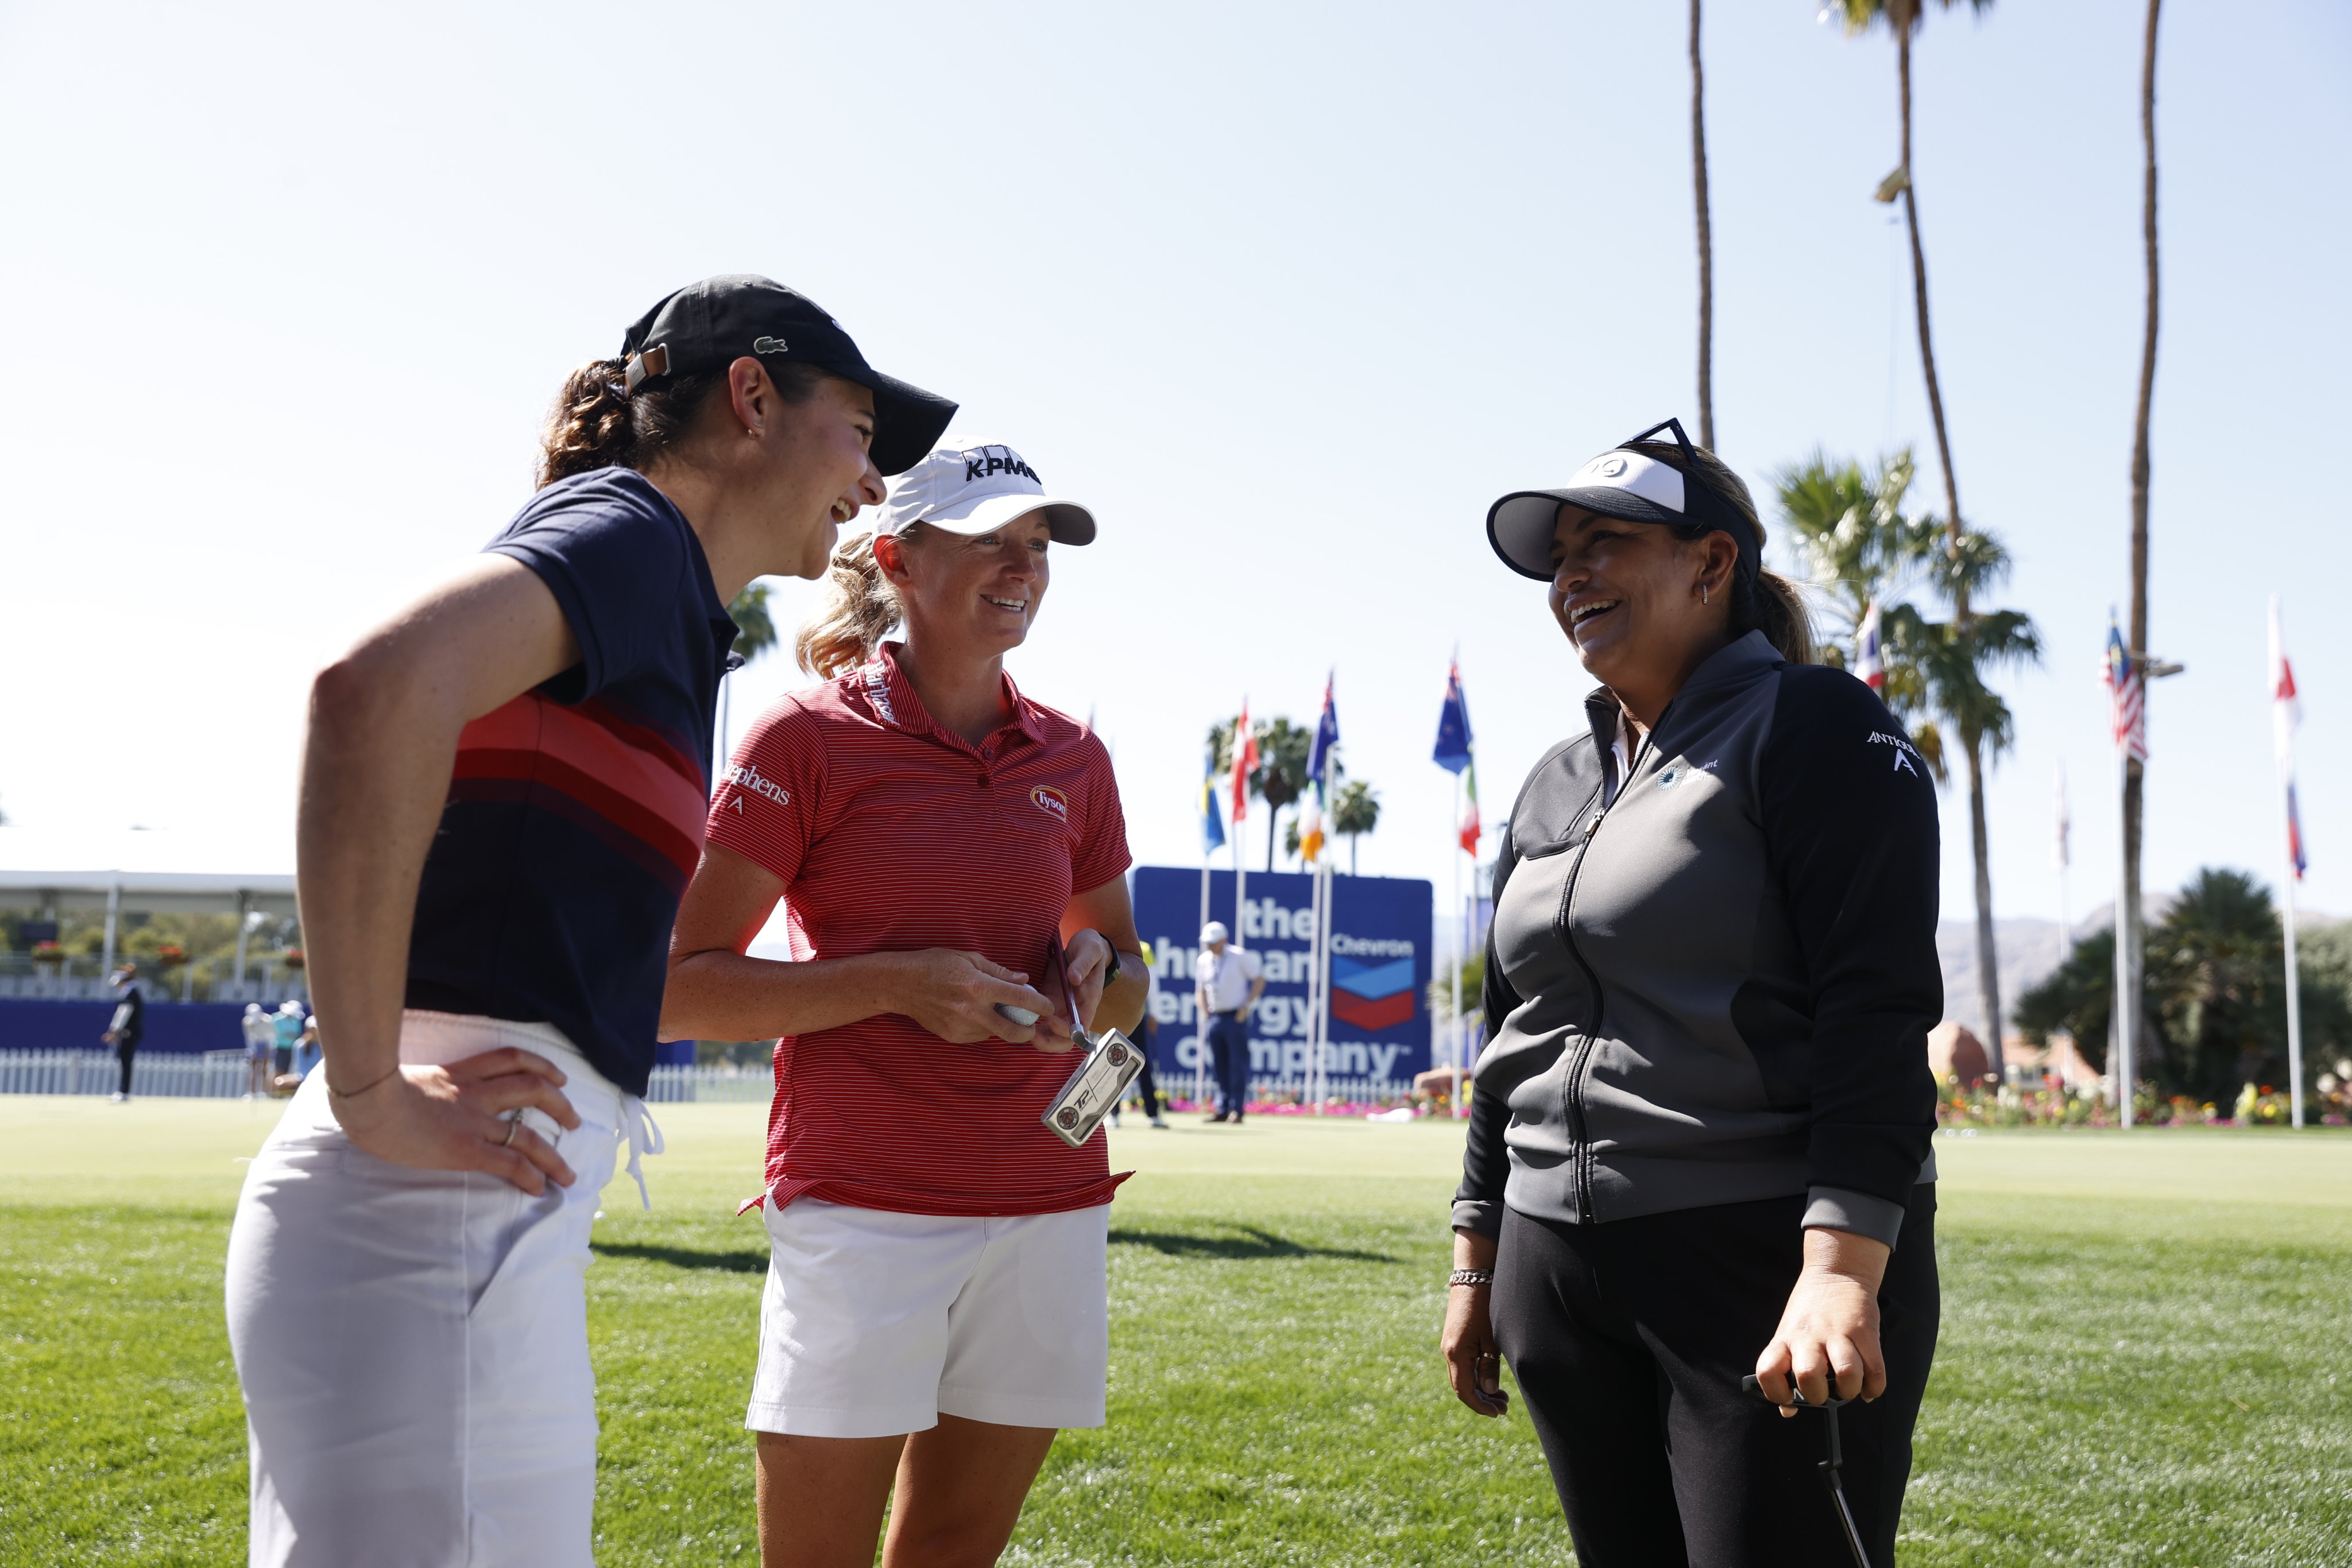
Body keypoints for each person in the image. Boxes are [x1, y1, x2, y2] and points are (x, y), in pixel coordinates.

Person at [223, 274, 953, 1567]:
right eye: (855, 430)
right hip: (430, 1201)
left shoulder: (661, 594)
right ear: (749, 397)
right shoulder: (630, 535)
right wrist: (370, 1089)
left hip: (456, 1211)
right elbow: (369, 690)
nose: (871, 483)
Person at [1440, 419, 1942, 1567]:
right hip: (1555, 1274)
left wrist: (1837, 1269)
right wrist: (1477, 1261)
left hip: (1755, 1268)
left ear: (1709, 565)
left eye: (1604, 542)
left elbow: (1876, 1009)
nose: (1570, 575)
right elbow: (1509, 1034)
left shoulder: (1816, 724)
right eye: (1557, 556)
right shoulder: (1553, 780)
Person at [660, 438, 1148, 1568]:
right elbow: (673, 989)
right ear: (897, 556)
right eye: (992, 542)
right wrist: (897, 985)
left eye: (1038, 546)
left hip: (1049, 1200)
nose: (1023, 566)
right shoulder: (805, 737)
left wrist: (1101, 979)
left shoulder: (1074, 759)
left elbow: (1126, 985)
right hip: (862, 1208)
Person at [1193, 921, 1262, 1123]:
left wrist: (1247, 1006)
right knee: (1219, 1065)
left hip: (1235, 1016)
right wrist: (1205, 1012)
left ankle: (1237, 1110)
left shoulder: (1239, 956)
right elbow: (1200, 989)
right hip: (1215, 1017)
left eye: (1213, 942)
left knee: (1237, 1064)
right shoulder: (1203, 960)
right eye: (1208, 942)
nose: (1210, 946)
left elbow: (1259, 980)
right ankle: (1222, 1108)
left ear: (1224, 940)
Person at [1111, 940, 1169, 1130]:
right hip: (1110, 1016)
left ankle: (1152, 1114)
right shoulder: (1107, 943)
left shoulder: (1143, 948)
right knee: (1111, 1066)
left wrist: (1155, 1013)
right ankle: (1113, 1115)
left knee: (1139, 1063)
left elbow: (1151, 982)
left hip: (1133, 1015)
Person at [100, 963, 144, 1101]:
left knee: (126, 1061)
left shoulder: (130, 992)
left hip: (129, 1032)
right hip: (129, 1032)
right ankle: (123, 1091)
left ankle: (124, 1092)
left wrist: (113, 1031)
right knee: (124, 1060)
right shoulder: (131, 991)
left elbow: (123, 1013)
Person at [242, 1002, 276, 1098]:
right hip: (254, 1045)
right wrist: (253, 1050)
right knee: (253, 1069)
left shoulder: (268, 1020)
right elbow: (249, 1038)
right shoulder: (247, 1022)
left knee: (265, 1069)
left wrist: (269, 1048)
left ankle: (264, 1092)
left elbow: (271, 1036)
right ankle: (251, 1093)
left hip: (266, 1044)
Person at [270, 998, 303, 1082]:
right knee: (279, 1070)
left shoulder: (296, 1021)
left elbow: (297, 1034)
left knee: (288, 1071)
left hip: (291, 1049)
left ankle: (282, 1092)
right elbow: (277, 1034)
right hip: (280, 1048)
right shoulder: (277, 1019)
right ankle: (274, 1092)